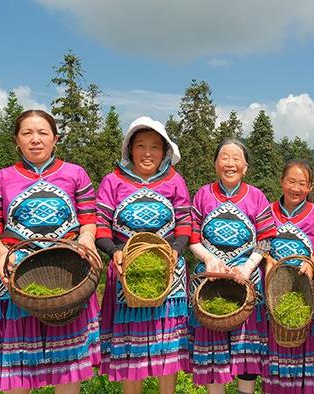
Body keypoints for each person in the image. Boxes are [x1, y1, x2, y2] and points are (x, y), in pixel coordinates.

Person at [0, 109, 100, 393]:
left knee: (68, 371)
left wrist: (87, 238)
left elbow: (89, 219)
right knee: (16, 370)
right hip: (16, 275)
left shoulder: (75, 174)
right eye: (27, 133)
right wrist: (2, 255)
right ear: (17, 140)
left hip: (67, 275)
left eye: (43, 133)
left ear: (55, 139)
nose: (35, 140)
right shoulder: (2, 178)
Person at [95, 116, 191, 393]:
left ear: (164, 153)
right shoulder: (113, 181)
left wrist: (175, 250)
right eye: (141, 146)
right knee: (130, 347)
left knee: (167, 346)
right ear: (130, 150)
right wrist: (114, 252)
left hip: (168, 269)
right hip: (126, 269)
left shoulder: (174, 182)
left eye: (154, 147)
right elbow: (101, 224)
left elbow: (185, 223)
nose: (147, 153)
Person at [188, 139, 276, 394]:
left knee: (245, 348)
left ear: (245, 167)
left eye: (236, 159)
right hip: (210, 279)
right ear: (215, 164)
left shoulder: (256, 196)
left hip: (245, 279)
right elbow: (192, 237)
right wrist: (209, 259)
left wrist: (247, 268)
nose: (230, 163)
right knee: (213, 347)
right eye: (224, 158)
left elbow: (267, 240)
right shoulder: (203, 194)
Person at [262, 159, 314, 394]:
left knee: (306, 345)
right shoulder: (268, 211)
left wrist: (310, 262)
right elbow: (262, 243)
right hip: (276, 291)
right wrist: (268, 261)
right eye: (291, 181)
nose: (296, 188)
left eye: (302, 183)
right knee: (278, 343)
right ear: (281, 182)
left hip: (305, 289)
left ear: (310, 188)